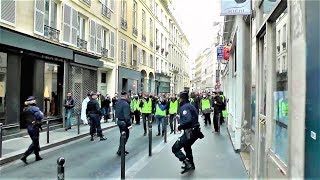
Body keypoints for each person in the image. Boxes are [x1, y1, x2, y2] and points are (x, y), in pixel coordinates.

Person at [172, 91, 204, 174]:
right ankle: (191, 165)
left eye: (180, 98)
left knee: (175, 148)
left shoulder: (185, 107)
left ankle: (187, 163)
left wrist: (179, 127)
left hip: (191, 132)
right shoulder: (190, 105)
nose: (179, 100)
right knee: (187, 147)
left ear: (182, 99)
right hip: (195, 131)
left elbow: (188, 120)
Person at [20, 96, 44, 164]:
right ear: (32, 101)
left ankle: (37, 156)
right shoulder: (34, 108)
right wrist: (41, 114)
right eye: (34, 100)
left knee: (36, 142)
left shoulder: (25, 109)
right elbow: (40, 116)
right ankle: (25, 155)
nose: (35, 101)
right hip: (34, 127)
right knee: (35, 142)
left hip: (29, 127)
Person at [115, 91, 132, 155]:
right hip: (124, 122)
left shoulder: (118, 102)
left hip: (119, 121)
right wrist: (129, 124)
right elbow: (126, 116)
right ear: (125, 96)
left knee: (122, 136)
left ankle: (121, 149)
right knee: (125, 136)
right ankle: (121, 151)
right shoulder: (126, 104)